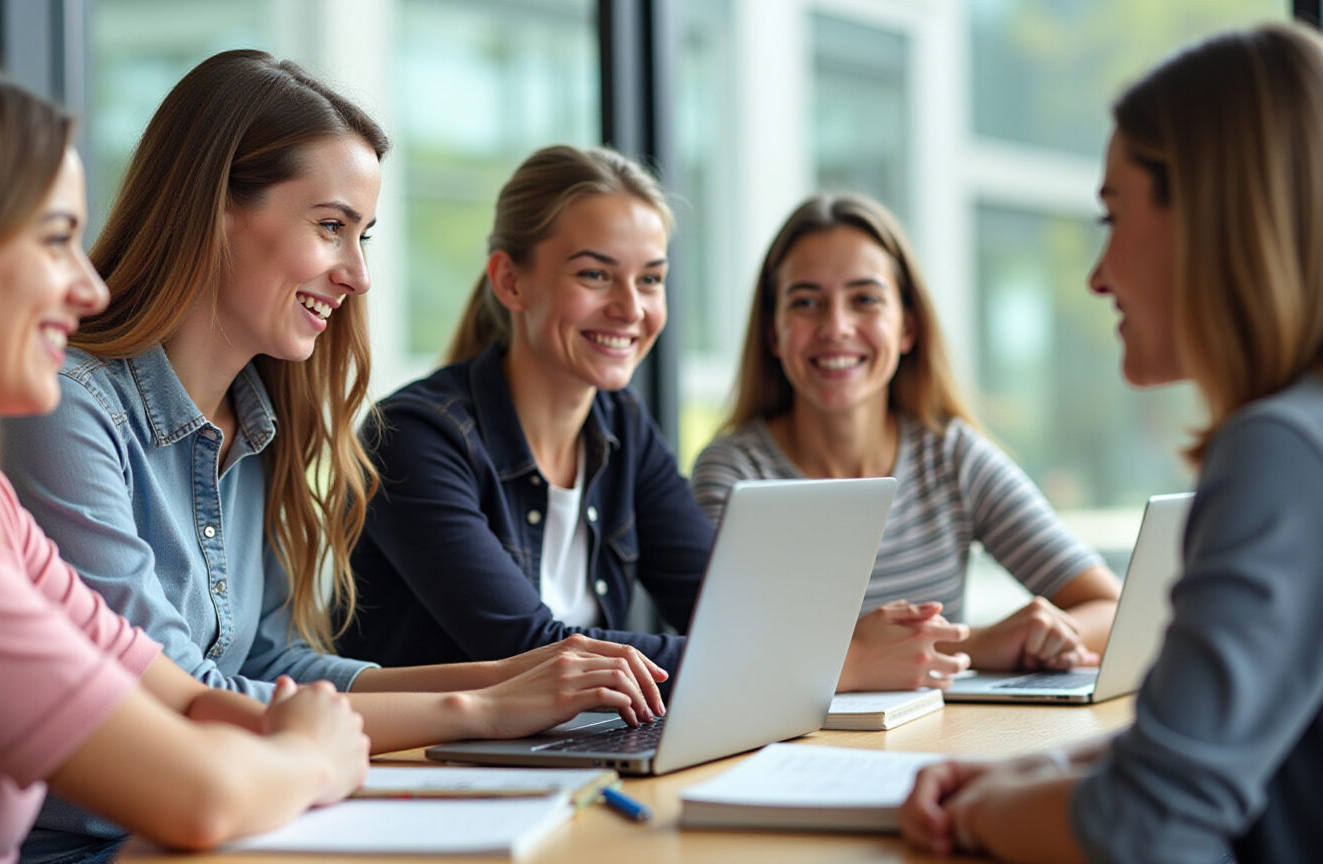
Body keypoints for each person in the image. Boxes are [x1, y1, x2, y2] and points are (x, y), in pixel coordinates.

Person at [0, 52, 664, 864]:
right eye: (330, 226)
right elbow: (174, 697)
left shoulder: (264, 420)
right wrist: (477, 707)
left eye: (363, 235)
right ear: (216, 209)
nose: (358, 275)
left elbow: (272, 662)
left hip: (244, 825)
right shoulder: (67, 412)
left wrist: (511, 677)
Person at [0, 47, 374, 863]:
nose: (89, 288)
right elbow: (199, 797)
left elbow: (175, 697)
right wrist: (310, 754)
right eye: (57, 239)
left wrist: (301, 737)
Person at [900, 22, 1323, 863]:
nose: (1097, 275)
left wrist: (977, 817)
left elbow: (1147, 826)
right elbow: (1240, 746)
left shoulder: (1280, 451)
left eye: (1114, 214)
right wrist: (1049, 763)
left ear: (1209, 215)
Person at [339, 145, 969, 693]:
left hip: (574, 752)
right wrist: (835, 663)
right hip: (430, 776)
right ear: (510, 281)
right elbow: (533, 652)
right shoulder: (415, 440)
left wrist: (841, 650)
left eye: (651, 279)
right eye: (595, 274)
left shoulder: (622, 428)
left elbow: (723, 609)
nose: (629, 308)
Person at [692, 193, 1121, 672]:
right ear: (773, 333)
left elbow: (1112, 608)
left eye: (865, 300)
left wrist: (1043, 636)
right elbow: (734, 658)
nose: (835, 327)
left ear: (907, 329)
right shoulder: (733, 472)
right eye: (806, 302)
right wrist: (976, 645)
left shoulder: (951, 456)